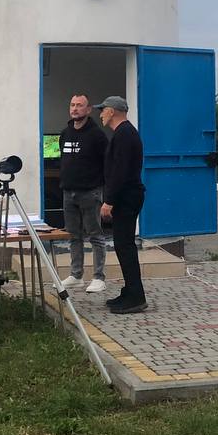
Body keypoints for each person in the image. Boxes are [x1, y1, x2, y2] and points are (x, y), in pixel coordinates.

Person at [96, 95, 147, 314]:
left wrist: (109, 200)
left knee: (125, 245)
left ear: (113, 111)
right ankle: (130, 290)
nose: (100, 114)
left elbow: (121, 172)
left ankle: (136, 296)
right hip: (125, 196)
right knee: (122, 244)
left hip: (126, 197)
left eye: (103, 110)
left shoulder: (125, 134)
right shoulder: (123, 133)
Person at [58, 93, 109, 292]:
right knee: (73, 235)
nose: (75, 108)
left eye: (80, 105)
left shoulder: (97, 135)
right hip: (68, 193)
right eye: (72, 105)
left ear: (88, 110)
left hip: (90, 192)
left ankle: (99, 277)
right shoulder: (65, 133)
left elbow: (106, 164)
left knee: (95, 235)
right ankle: (76, 274)